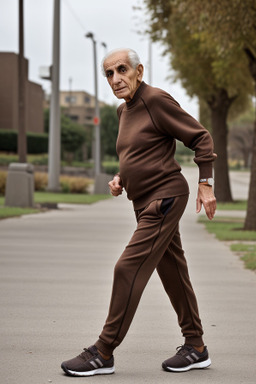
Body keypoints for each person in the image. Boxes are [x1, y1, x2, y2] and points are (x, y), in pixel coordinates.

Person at [61, 48, 217, 377]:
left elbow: (201, 138)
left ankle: (103, 351)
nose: (116, 78)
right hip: (143, 201)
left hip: (164, 198)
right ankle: (196, 347)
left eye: (122, 70)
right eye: (109, 73)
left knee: (125, 269)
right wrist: (121, 179)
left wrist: (206, 183)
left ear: (138, 71)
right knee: (173, 273)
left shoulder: (155, 100)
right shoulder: (123, 111)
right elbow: (136, 154)